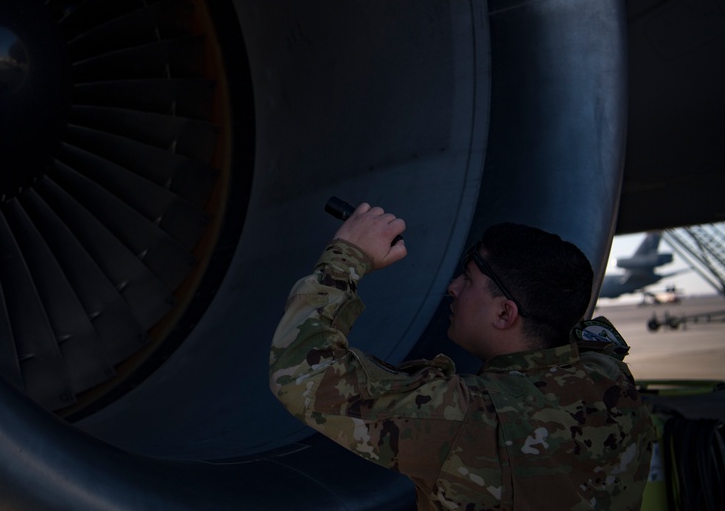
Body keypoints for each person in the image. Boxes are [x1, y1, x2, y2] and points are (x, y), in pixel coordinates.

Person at [269, 203, 655, 510]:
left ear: (505, 313)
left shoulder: (468, 419)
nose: (452, 288)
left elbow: (302, 374)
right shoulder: (608, 374)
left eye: (467, 279)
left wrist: (347, 256)